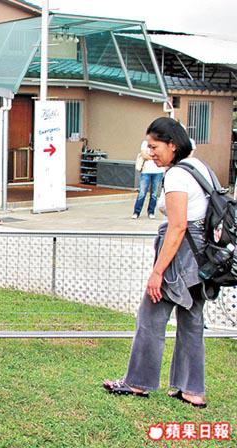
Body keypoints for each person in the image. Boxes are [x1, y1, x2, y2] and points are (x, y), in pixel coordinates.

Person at [103, 117, 210, 408]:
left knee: (150, 317)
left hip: (181, 256)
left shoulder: (176, 175)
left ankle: (138, 382)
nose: (150, 153)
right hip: (203, 258)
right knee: (192, 320)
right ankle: (192, 390)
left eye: (154, 146)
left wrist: (157, 272)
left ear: (172, 145)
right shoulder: (199, 167)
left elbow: (177, 227)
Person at [131, 140, 165, 219]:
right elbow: (144, 155)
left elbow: (163, 156)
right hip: (146, 171)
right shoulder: (145, 143)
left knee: (154, 194)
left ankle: (151, 212)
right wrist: (156, 157)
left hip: (158, 171)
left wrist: (151, 156)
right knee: (142, 193)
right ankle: (136, 212)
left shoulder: (162, 143)